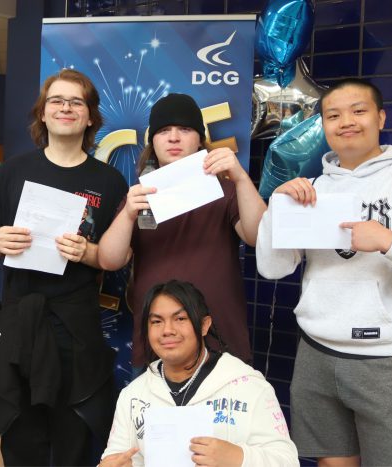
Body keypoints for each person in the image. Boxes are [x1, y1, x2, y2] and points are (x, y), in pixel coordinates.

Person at [256, 78, 392, 466]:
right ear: (323, 125)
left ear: (381, 117)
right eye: (333, 115)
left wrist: (390, 242)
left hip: (389, 360)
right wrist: (278, 208)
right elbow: (272, 269)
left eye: (358, 111)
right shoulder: (312, 189)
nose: (346, 122)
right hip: (317, 352)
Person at [0, 68, 128, 466]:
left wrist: (88, 252)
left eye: (76, 102)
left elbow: (121, 256)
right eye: (56, 101)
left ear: (91, 116)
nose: (66, 108)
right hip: (20, 321)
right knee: (22, 437)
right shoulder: (12, 171)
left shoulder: (110, 181)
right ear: (42, 114)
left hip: (76, 326)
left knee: (72, 437)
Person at [98, 93, 266, 373]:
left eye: (185, 129)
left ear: (199, 138)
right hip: (159, 346)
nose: (174, 138)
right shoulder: (139, 196)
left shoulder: (226, 191)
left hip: (220, 343)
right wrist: (128, 213)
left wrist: (240, 177)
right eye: (164, 131)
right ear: (153, 141)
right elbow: (109, 260)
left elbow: (258, 236)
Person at [100, 280, 299, 467]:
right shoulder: (133, 394)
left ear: (204, 325)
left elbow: (287, 461)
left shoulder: (249, 385)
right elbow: (116, 455)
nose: (167, 330)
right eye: (156, 322)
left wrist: (238, 457)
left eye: (180, 319)